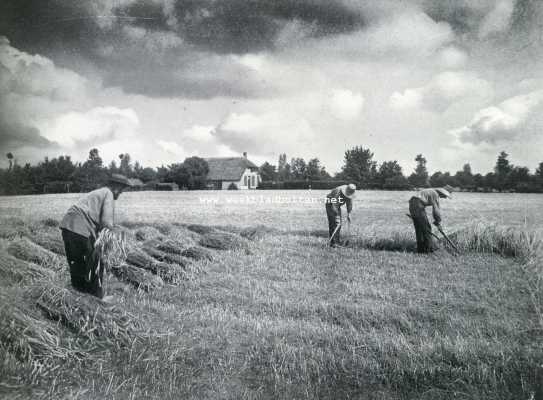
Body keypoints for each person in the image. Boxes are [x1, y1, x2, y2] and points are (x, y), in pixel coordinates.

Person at [60, 174, 133, 298]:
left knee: (77, 266)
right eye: (121, 189)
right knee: (95, 263)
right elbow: (106, 222)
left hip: (68, 226)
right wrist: (117, 233)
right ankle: (98, 300)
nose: (120, 193)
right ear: (116, 186)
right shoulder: (108, 193)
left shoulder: (98, 192)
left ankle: (79, 298)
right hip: (81, 228)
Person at [408, 185, 453, 253]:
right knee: (427, 229)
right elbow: (436, 211)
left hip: (412, 204)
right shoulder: (435, 194)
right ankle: (428, 250)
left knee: (419, 229)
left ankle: (421, 250)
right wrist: (438, 221)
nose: (445, 197)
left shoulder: (431, 191)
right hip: (418, 205)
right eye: (445, 195)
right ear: (442, 193)